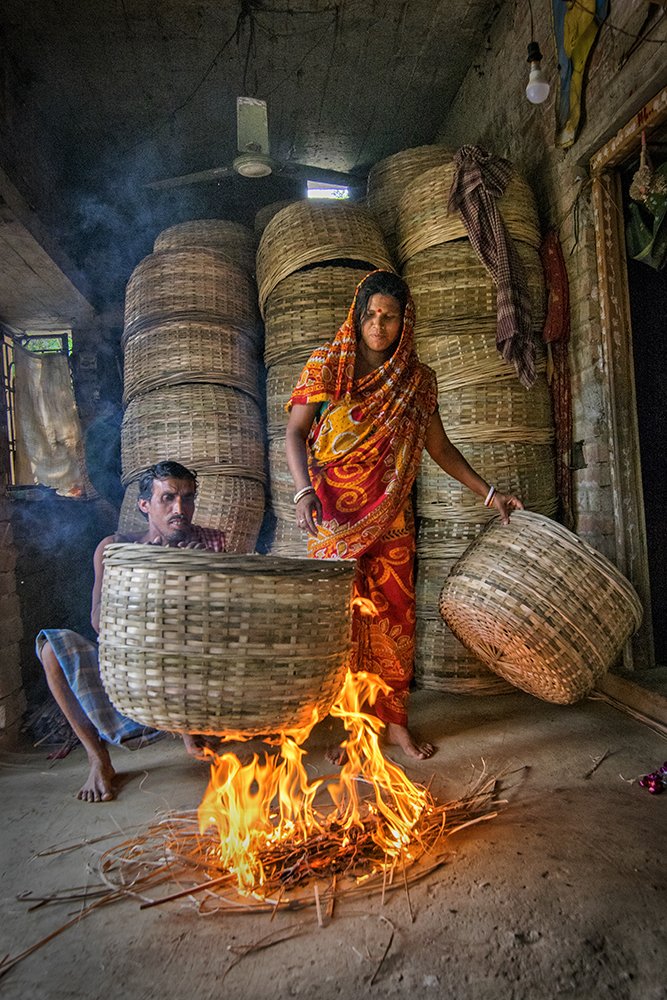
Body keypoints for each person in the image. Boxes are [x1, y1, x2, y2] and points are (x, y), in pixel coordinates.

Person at [285, 270, 523, 761]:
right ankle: (352, 728)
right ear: (358, 316)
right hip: (332, 517)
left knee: (395, 618)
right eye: (371, 315)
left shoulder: (416, 382)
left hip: (391, 517)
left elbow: (440, 447)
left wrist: (490, 494)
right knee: (343, 625)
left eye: (389, 317)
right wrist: (303, 492)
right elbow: (294, 433)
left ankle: (395, 724)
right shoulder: (327, 366)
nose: (378, 325)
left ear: (404, 323)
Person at [36, 461, 226, 803]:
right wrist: (162, 580)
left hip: (185, 679)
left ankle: (190, 730)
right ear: (144, 505)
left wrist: (198, 576)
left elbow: (217, 628)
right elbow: (99, 621)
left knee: (191, 645)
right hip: (128, 671)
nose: (180, 508)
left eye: (187, 498)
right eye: (168, 498)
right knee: (51, 648)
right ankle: (98, 759)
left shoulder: (207, 545)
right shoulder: (115, 548)